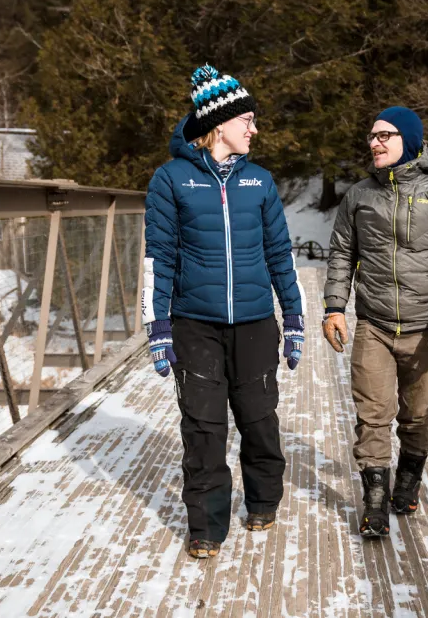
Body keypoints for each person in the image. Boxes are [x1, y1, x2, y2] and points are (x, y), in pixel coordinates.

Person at [142, 64, 305, 559]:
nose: (255, 130)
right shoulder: (171, 180)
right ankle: (207, 527)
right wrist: (158, 327)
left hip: (256, 323)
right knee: (203, 427)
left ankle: (262, 500)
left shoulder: (260, 182)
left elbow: (282, 255)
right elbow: (158, 257)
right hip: (196, 325)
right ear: (219, 125)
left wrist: (294, 318)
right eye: (247, 121)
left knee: (259, 418)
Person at [321, 107, 428, 537]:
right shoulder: (357, 196)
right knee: (372, 415)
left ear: (407, 140)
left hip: (425, 327)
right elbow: (340, 255)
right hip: (373, 324)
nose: (375, 142)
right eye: (371, 136)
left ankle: (408, 481)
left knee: (416, 414)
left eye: (385, 135)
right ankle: (374, 502)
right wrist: (335, 306)